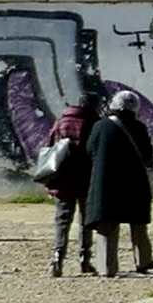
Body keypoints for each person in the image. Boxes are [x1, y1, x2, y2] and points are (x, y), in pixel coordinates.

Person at [87, 91, 153, 275]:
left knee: (107, 226)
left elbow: (89, 150)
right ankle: (143, 261)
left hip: (105, 182)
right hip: (134, 182)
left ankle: (107, 267)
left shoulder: (100, 126)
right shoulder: (139, 127)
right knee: (138, 224)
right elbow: (147, 155)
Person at [37, 94, 101, 275]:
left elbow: (51, 147)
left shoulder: (61, 122)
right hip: (86, 178)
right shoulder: (93, 123)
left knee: (62, 220)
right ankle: (84, 259)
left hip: (63, 178)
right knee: (86, 220)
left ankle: (57, 258)